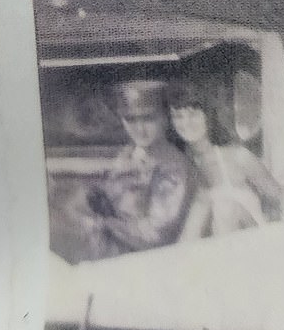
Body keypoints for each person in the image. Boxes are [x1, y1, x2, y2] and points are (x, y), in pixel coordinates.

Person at [167, 82, 284, 239]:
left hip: (250, 244)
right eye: (178, 116)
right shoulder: (176, 162)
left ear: (208, 115)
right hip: (204, 251)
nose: (185, 123)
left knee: (225, 207)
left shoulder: (237, 157)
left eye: (193, 114)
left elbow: (283, 198)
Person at [69, 80, 193, 260]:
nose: (139, 129)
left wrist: (104, 224)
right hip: (114, 254)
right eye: (131, 119)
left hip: (148, 263)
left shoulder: (172, 167)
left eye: (148, 118)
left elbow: (156, 236)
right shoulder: (129, 154)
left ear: (165, 118)